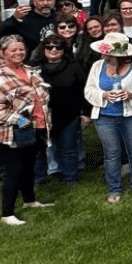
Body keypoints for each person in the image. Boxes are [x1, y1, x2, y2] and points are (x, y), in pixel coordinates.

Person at [0, 35, 54, 225]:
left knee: (28, 167)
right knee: (14, 172)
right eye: (13, 50)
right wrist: (20, 119)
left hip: (35, 129)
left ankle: (30, 201)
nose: (19, 53)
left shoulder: (30, 71)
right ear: (2, 54)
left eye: (21, 49)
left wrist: (45, 120)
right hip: (10, 133)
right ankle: (7, 214)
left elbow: (41, 97)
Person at [84, 33, 132, 202]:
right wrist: (103, 94)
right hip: (105, 117)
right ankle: (114, 189)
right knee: (111, 154)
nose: (101, 53)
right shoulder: (98, 66)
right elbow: (89, 90)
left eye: (105, 51)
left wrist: (131, 94)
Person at [29, 34, 89, 188]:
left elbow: (84, 91)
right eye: (49, 46)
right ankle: (37, 180)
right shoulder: (34, 68)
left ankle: (70, 179)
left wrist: (85, 113)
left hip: (68, 115)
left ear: (65, 49)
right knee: (38, 150)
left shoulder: (74, 67)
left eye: (58, 47)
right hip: (40, 117)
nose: (53, 49)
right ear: (44, 49)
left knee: (68, 149)